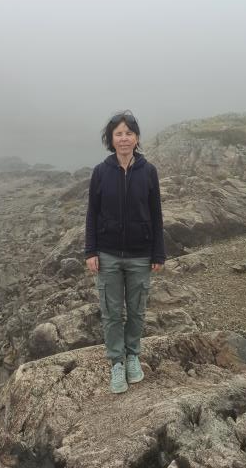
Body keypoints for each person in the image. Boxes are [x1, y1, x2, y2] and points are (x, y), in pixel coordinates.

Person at [85, 110, 165, 394]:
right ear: (111, 139)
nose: (123, 138)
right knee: (111, 312)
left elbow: (156, 214)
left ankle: (133, 356)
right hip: (107, 254)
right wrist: (91, 251)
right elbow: (92, 213)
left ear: (137, 138)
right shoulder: (100, 172)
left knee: (137, 311)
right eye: (118, 134)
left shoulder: (148, 172)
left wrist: (158, 253)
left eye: (128, 133)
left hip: (140, 255)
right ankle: (116, 362)